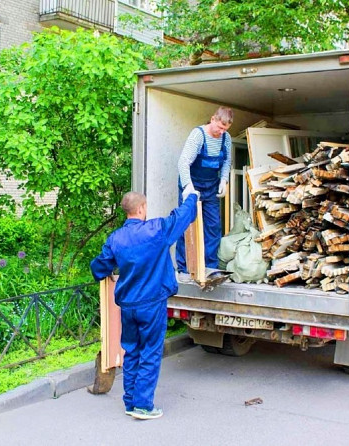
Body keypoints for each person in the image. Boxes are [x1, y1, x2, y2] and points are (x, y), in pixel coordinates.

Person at [90, 191, 199, 420]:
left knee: (132, 351)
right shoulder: (156, 231)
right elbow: (183, 216)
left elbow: (98, 267)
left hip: (128, 306)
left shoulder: (116, 239)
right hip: (151, 304)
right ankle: (143, 406)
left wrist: (108, 271)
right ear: (141, 209)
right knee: (150, 351)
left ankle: (130, 402)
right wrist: (191, 196)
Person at [175, 106, 233, 275]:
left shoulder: (225, 138)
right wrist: (188, 187)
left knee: (213, 226)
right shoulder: (198, 135)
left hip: (211, 186)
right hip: (192, 185)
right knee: (186, 225)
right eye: (220, 127)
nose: (221, 132)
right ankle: (184, 269)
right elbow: (183, 162)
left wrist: (224, 180)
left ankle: (210, 267)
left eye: (225, 129)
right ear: (213, 119)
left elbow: (227, 161)